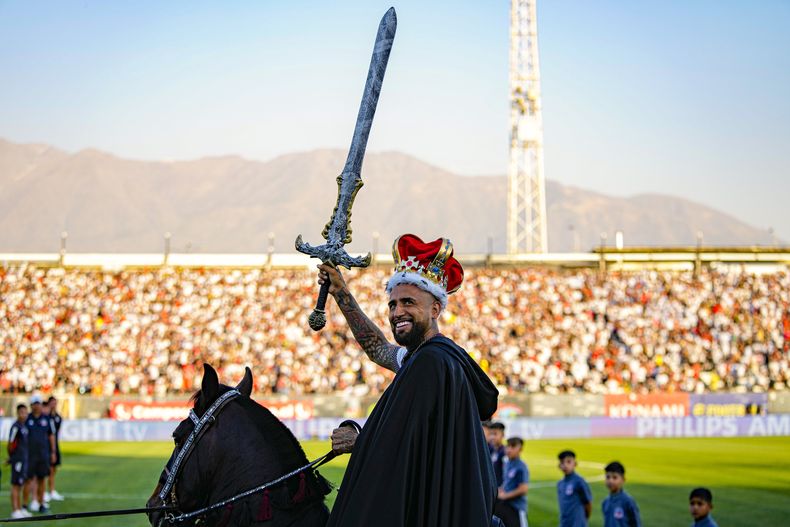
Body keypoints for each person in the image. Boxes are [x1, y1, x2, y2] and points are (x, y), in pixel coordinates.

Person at [318, 234, 500, 526]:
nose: (397, 312)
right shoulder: (428, 357)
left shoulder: (431, 362)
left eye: (408, 303)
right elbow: (378, 348)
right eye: (392, 305)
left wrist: (359, 441)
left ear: (435, 309)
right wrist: (341, 292)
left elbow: (402, 447)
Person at [25, 395, 56, 513]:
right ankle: (32, 501)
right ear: (31, 405)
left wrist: (53, 451)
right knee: (30, 478)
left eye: (38, 403)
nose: (36, 405)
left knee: (42, 479)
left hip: (43, 454)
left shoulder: (47, 419)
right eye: (34, 403)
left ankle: (41, 502)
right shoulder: (27, 419)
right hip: (30, 454)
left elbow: (51, 435)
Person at [495, 437, 529, 527]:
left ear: (520, 449)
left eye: (513, 446)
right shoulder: (507, 463)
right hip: (505, 506)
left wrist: (505, 496)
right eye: (508, 446)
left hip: (516, 507)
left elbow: (523, 489)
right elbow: (507, 483)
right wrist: (500, 490)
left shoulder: (521, 466)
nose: (509, 449)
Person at [7, 404, 32, 519]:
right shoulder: (15, 427)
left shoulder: (24, 426)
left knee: (21, 483)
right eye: (22, 412)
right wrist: (12, 457)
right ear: (17, 413)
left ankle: (21, 508)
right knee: (16, 485)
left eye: (26, 413)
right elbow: (11, 443)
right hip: (18, 460)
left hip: (24, 459)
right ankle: (15, 510)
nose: (24, 415)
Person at [557, 450, 592, 527]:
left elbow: (588, 503)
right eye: (562, 462)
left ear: (575, 464)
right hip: (565, 523)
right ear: (559, 465)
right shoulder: (560, 484)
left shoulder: (579, 481)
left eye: (569, 462)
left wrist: (583, 519)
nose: (565, 465)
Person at [601, 461, 641, 527]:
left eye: (614, 477)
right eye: (608, 477)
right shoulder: (605, 502)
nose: (610, 481)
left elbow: (636, 524)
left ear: (623, 480)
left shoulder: (628, 501)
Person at [45, 396, 65, 501]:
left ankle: (52, 490)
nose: (54, 404)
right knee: (45, 470)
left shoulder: (58, 417)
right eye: (52, 402)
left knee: (54, 468)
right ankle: (44, 492)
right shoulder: (45, 417)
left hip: (54, 445)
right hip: (45, 446)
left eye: (55, 403)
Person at [485, 421, 507, 488]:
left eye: (495, 434)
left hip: (499, 490)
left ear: (502, 435)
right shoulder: (489, 449)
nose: (492, 437)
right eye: (491, 434)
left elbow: (507, 473)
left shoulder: (505, 452)